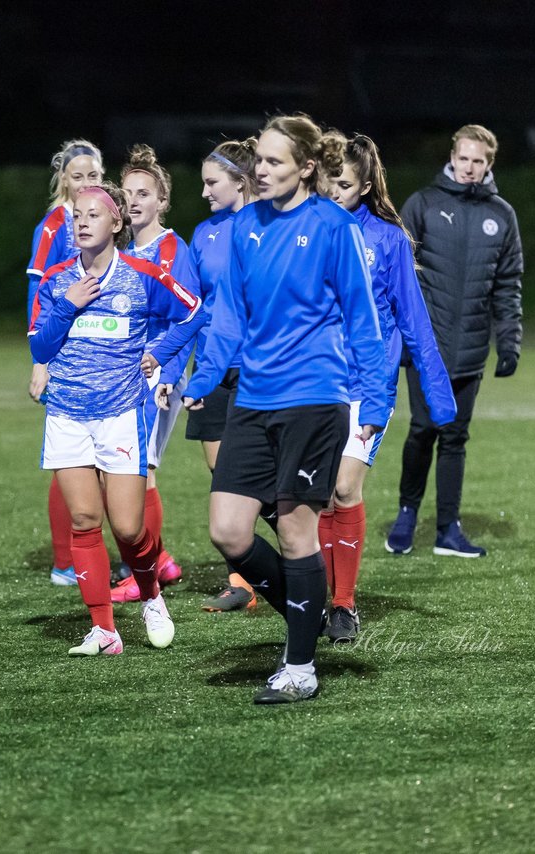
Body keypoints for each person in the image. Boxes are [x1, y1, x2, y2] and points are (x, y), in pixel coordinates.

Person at [181, 114, 388, 703]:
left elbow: (362, 321)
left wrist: (372, 399)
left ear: (305, 166)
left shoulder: (332, 226)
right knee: (228, 530)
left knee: (298, 535)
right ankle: (310, 612)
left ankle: (300, 668)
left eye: (273, 161)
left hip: (314, 400)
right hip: (253, 399)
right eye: (258, 161)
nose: (260, 171)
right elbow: (230, 319)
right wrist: (206, 376)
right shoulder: (243, 227)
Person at [29, 183, 202, 656]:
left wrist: (160, 353)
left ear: (117, 223)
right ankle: (104, 630)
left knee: (127, 528)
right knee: (84, 521)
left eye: (93, 215)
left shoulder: (143, 275)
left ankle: (151, 596)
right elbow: (40, 348)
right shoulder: (57, 279)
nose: (81, 222)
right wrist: (68, 305)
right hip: (66, 414)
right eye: (76, 216)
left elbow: (194, 312)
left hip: (122, 414)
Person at [317, 134, 456, 642]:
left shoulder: (388, 239)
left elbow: (414, 321)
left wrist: (439, 400)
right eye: (329, 181)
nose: (335, 192)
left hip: (366, 384)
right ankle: (319, 596)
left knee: (343, 488)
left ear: (367, 184)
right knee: (315, 498)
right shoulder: (306, 232)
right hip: (313, 383)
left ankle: (344, 604)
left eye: (346, 184)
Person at [385, 124, 523, 558]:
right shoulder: (423, 204)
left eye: (478, 161)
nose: (469, 167)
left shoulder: (502, 215)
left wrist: (510, 342)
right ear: (452, 156)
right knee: (423, 429)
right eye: (464, 158)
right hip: (427, 348)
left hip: (471, 350)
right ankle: (407, 514)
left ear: (489, 164)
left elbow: (508, 284)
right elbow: (397, 275)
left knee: (456, 437)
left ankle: (448, 529)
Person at [109, 143, 197, 602]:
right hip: (123, 374)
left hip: (156, 375)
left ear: (162, 200)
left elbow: (188, 319)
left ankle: (143, 571)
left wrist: (169, 373)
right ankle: (157, 560)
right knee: (126, 470)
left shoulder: (172, 249)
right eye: (126, 193)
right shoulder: (119, 253)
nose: (135, 201)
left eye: (144, 193)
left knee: (142, 469)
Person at [183, 139, 262, 613]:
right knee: (221, 475)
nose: (206, 192)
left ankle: (298, 565)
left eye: (213, 183)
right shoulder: (204, 233)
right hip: (208, 368)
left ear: (240, 181)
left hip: (253, 368)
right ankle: (243, 582)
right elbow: (192, 309)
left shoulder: (263, 228)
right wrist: (173, 364)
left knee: (256, 480)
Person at [26, 139, 104, 587]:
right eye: (78, 176)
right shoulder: (55, 227)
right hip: (64, 353)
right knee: (71, 456)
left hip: (99, 355)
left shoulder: (104, 220)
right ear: (63, 181)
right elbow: (37, 295)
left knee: (93, 459)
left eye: (93, 175)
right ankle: (65, 561)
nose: (86, 183)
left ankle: (81, 556)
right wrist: (39, 361)